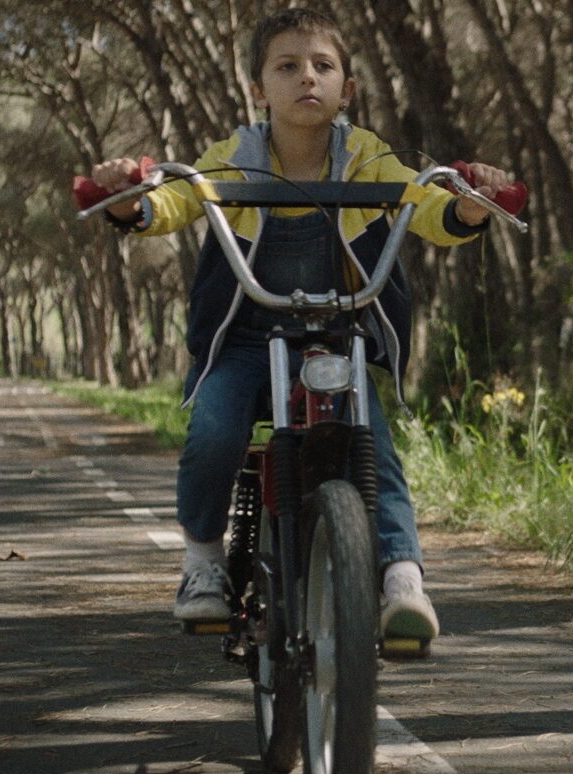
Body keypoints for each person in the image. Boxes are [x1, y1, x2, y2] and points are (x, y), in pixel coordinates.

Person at [87, 7, 512, 648]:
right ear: (259, 89)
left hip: (337, 337)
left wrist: (469, 208)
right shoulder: (234, 158)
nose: (307, 77)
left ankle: (402, 581)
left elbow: (427, 208)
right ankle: (203, 562)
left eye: (323, 66)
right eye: (287, 66)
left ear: (347, 88)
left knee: (373, 443)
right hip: (246, 342)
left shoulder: (369, 158)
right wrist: (131, 200)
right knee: (213, 430)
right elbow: (173, 201)